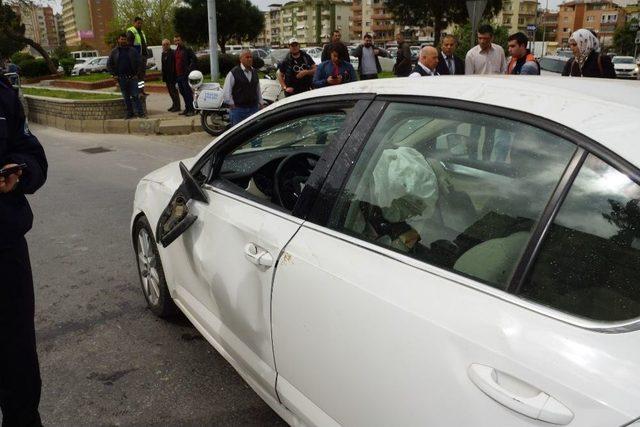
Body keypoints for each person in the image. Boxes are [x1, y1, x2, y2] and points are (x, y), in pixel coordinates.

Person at [0, 73, 48, 427]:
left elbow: (30, 151)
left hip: (6, 250)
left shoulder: (2, 94)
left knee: (18, 367)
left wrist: (21, 171)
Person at [107, 33, 145, 119]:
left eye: (125, 39)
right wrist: (114, 75)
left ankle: (140, 113)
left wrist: (136, 74)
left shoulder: (132, 50)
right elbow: (109, 64)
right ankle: (130, 113)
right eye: (121, 39)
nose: (123, 41)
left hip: (132, 78)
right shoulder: (114, 51)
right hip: (121, 79)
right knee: (126, 97)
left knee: (135, 96)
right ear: (118, 40)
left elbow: (140, 63)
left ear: (126, 40)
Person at [223, 50, 264, 126]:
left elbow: (257, 89)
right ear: (241, 59)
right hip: (239, 110)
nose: (249, 59)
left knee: (255, 132)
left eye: (251, 57)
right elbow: (226, 90)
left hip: (253, 108)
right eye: (247, 57)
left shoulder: (254, 72)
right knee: (239, 135)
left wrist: (261, 103)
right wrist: (232, 104)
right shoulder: (233, 73)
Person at [173, 35, 198, 116]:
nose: (177, 42)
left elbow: (194, 60)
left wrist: (189, 69)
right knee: (182, 92)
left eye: (178, 40)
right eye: (175, 41)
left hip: (185, 75)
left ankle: (192, 109)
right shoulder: (176, 51)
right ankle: (187, 108)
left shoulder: (187, 49)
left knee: (187, 92)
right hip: (178, 75)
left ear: (182, 41)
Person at [126, 17, 148, 95]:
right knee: (137, 75)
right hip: (137, 57)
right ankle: (137, 91)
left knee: (142, 76)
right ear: (134, 22)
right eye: (138, 23)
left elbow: (144, 44)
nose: (140, 24)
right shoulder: (131, 31)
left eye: (141, 23)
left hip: (143, 56)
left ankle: (141, 90)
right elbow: (129, 46)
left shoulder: (141, 32)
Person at [161, 39, 180, 112]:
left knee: (174, 92)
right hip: (167, 77)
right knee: (170, 92)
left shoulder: (173, 53)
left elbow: (174, 65)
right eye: (164, 44)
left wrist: (175, 75)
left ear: (169, 45)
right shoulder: (163, 54)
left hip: (173, 76)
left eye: (167, 44)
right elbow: (163, 66)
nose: (165, 46)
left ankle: (177, 106)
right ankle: (174, 104)